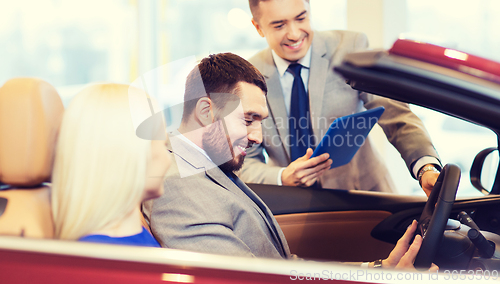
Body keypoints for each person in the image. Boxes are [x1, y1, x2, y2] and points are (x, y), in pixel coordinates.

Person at [143, 52, 434, 270]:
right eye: (248, 120)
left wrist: (376, 272)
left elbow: (281, 267)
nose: (257, 136)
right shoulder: (178, 189)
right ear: (206, 111)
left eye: (261, 122)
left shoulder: (208, 162)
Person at [238, 0, 441, 196]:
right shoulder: (248, 76)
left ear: (309, 7)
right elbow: (245, 161)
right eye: (279, 25)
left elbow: (395, 114)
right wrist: (282, 177)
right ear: (258, 27)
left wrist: (426, 166)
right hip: (294, 206)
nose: (294, 34)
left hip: (364, 195)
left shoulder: (350, 48)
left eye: (301, 18)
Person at [51, 83, 170, 247]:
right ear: (130, 155)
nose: (168, 160)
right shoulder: (103, 261)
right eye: (163, 145)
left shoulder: (130, 237)